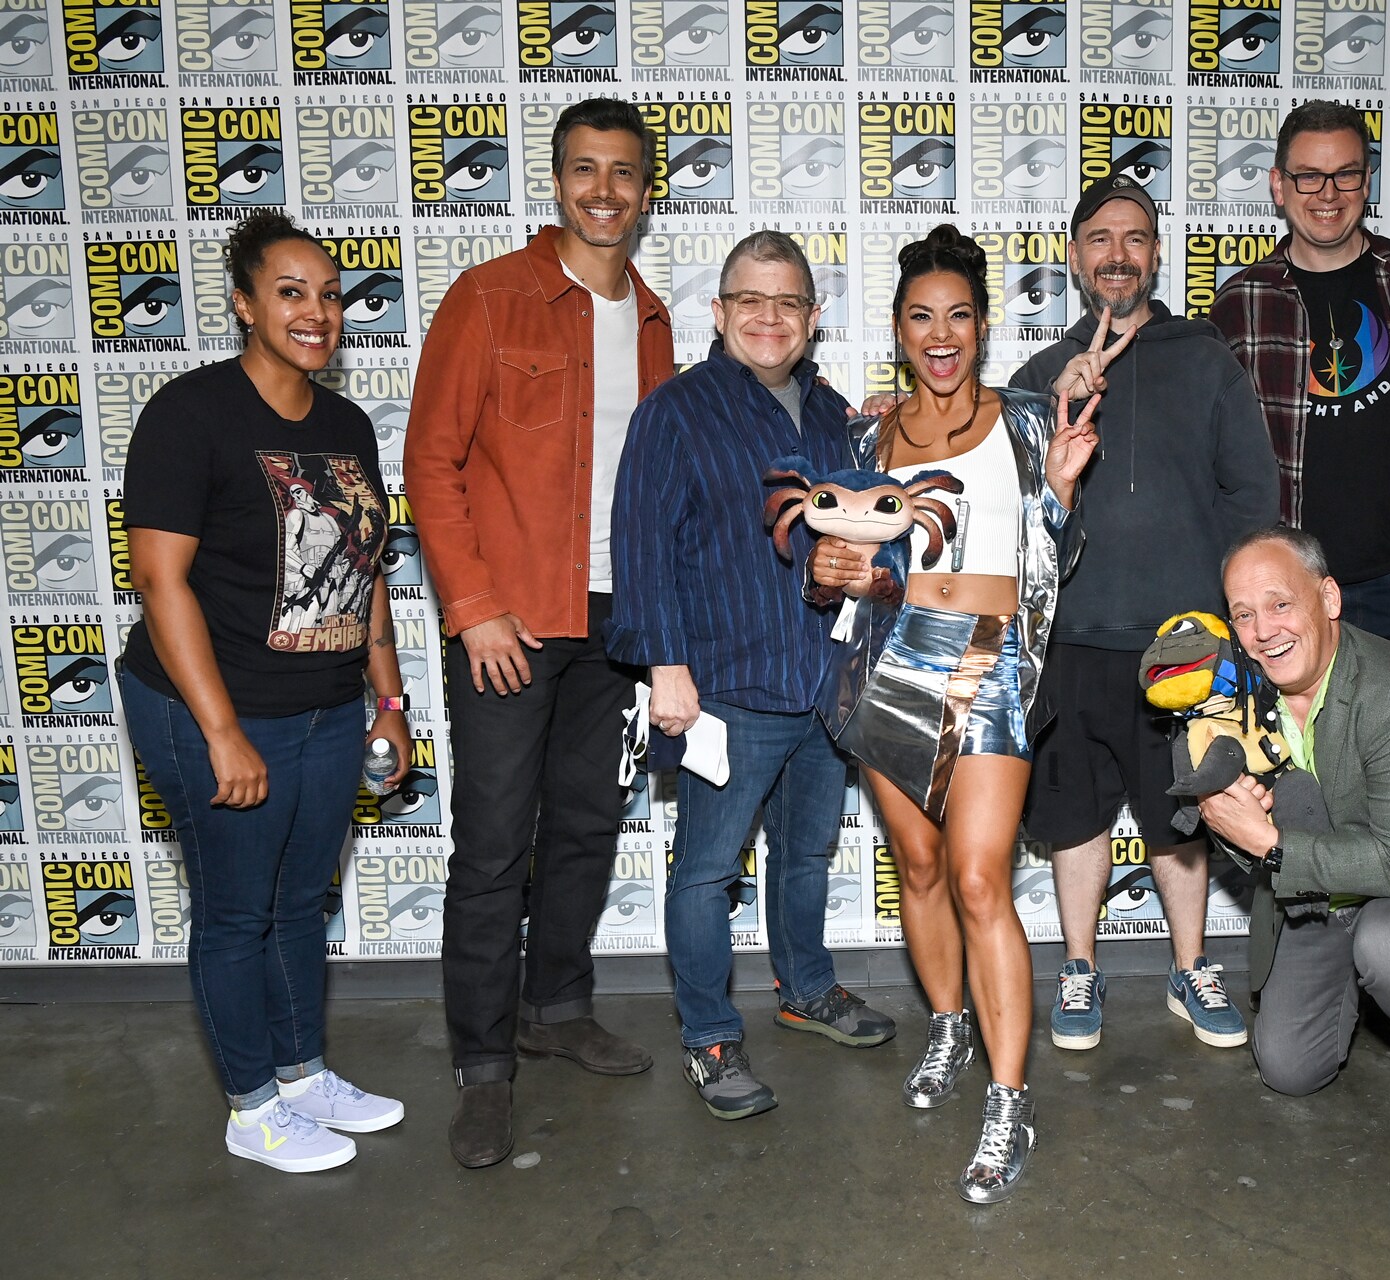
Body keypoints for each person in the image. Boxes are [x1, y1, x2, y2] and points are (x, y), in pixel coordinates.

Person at [405, 98, 672, 1169]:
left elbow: (663, 486)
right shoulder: (488, 298)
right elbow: (431, 461)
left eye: (623, 172)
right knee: (493, 844)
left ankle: (556, 1004)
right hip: (511, 622)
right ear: (555, 181)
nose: (603, 189)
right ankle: (483, 1065)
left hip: (614, 624)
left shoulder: (653, 319)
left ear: (647, 190)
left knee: (586, 826)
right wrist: (472, 608)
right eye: (583, 169)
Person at [1210, 97, 1390, 1069]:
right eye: (1307, 177)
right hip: (1287, 602)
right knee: (1291, 785)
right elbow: (1216, 449)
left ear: (1365, 180)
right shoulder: (1243, 297)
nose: (1326, 194)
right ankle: (1309, 976)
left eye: (1344, 175)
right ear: (1278, 187)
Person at [809, 225, 1097, 1203]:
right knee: (920, 864)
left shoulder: (1026, 421)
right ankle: (948, 1025)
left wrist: (1057, 488)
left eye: (959, 317)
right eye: (922, 317)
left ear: (982, 326)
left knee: (980, 877)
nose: (942, 335)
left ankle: (1009, 1101)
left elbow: (1052, 556)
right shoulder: (865, 439)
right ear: (897, 328)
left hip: (994, 661)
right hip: (889, 659)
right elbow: (840, 568)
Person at [119, 210, 408, 1173]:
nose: (317, 312)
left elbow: (364, 575)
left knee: (296, 904)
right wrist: (220, 733)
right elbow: (161, 583)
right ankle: (251, 1106)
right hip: (212, 707)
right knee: (237, 911)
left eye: (329, 295)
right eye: (291, 293)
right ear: (245, 304)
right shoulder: (190, 414)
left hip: (328, 707)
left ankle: (301, 1074)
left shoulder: (346, 424)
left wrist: (390, 702)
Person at [606, 230, 896, 1124]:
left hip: (820, 682)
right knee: (704, 875)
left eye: (788, 304)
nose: (769, 319)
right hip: (722, 687)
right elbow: (640, 545)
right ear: (722, 312)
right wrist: (667, 669)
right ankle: (709, 1037)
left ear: (812, 319)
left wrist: (887, 432)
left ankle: (807, 989)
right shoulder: (677, 409)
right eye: (750, 301)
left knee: (805, 854)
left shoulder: (832, 413)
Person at [1008, 174, 1278, 1055]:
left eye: (1135, 237)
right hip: (1072, 643)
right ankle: (1079, 968)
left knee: (1182, 816)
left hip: (1185, 645)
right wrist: (1056, 404)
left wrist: (1236, 623)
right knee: (1075, 816)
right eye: (1099, 238)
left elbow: (1253, 495)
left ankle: (1189, 965)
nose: (1117, 254)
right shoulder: (1038, 376)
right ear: (1075, 256)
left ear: (1156, 254)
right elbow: (1013, 514)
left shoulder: (1206, 360)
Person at [1197, 527, 1390, 1173]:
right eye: (1243, 614)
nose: (1263, 630)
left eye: (1280, 604)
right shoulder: (1237, 700)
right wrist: (1228, 818)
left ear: (1328, 597)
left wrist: (1269, 842)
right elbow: (1245, 843)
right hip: (1318, 895)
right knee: (1287, 1070)